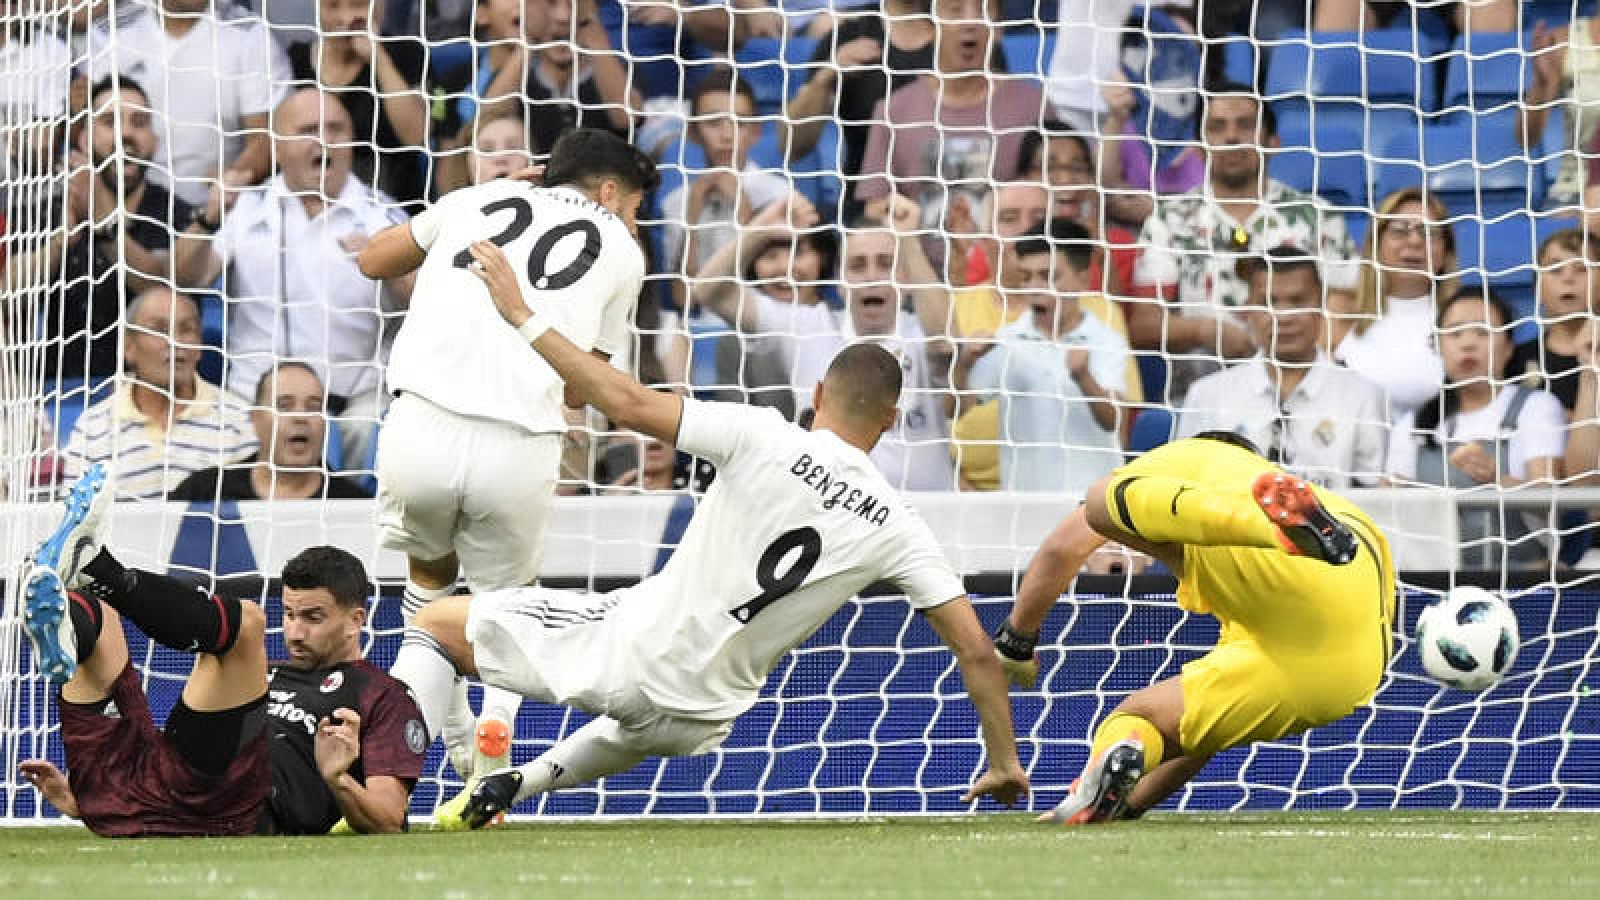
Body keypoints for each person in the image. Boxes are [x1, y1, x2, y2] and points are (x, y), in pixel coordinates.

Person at [387, 243, 1028, 828]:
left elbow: (628, 403)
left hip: (632, 652)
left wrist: (521, 311)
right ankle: (513, 785)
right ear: (891, 421)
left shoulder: (760, 433)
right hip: (705, 718)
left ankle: (386, 787)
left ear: (816, 393)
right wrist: (1003, 761)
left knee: (436, 624)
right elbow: (976, 651)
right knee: (637, 726)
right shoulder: (898, 523)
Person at [355, 127, 655, 814]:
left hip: (422, 423)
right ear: (609, 192)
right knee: (502, 608)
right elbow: (585, 387)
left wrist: (477, 202)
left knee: (429, 593)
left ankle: (436, 741)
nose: (632, 218)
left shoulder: (479, 197)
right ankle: (491, 743)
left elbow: (373, 260)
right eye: (634, 204)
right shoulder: (622, 249)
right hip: (519, 443)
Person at [991, 431, 1392, 824]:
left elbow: (1065, 546)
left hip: (1274, 551)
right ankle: (1096, 794)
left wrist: (1017, 641)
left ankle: (1269, 529)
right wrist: (1129, 806)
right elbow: (1197, 741)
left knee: (1100, 500)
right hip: (1356, 656)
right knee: (1145, 722)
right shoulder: (1239, 600)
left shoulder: (1194, 457)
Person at [17, 466, 426, 835]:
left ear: (356, 620)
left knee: (245, 626)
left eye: (313, 618)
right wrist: (82, 801)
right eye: (287, 614)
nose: (294, 632)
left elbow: (389, 819)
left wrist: (338, 778)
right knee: (102, 621)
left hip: (235, 809)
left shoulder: (382, 696)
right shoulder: (266, 674)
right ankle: (71, 611)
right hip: (152, 791)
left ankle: (95, 571)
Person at [180, 87, 415, 469]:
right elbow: (187, 279)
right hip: (253, 401)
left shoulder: (382, 215)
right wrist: (208, 219)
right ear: (277, 145)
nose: (324, 140)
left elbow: (422, 305)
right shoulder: (245, 208)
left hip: (356, 403)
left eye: (336, 128)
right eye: (309, 128)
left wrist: (388, 266)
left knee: (369, 426)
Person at [690, 193, 957, 490]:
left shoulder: (923, 334)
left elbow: (947, 342)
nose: (871, 277)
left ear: (905, 278)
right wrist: (759, 230)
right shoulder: (806, 327)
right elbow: (708, 293)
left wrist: (907, 239)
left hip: (926, 516)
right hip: (832, 521)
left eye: (886, 264)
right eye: (857, 265)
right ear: (840, 282)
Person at [1131, 84, 1358, 405]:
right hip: (1199, 395)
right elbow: (1144, 325)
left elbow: (1348, 306)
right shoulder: (1168, 220)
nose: (1232, 137)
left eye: (1245, 125)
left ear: (1272, 143)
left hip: (1302, 394)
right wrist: (1204, 332)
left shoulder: (1317, 217)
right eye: (1217, 127)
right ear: (1199, 147)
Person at [2, 76, 210, 384]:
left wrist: (102, 224)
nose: (126, 133)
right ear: (84, 140)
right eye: (109, 121)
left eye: (139, 123)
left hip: (148, 396)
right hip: (55, 397)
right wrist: (62, 240)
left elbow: (163, 284)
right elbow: (9, 291)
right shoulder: (44, 210)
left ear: (154, 141)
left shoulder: (179, 216)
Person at [1179, 247, 1387, 490]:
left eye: (1298, 301)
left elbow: (1373, 499)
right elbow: (1186, 492)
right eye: (1268, 302)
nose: (1284, 316)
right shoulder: (1207, 396)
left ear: (1320, 307)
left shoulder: (1363, 397)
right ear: (1248, 310)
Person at [1386, 290, 1567, 569]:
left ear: (1508, 347)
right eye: (1455, 333)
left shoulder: (1537, 406)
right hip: (1433, 578)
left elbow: (1549, 504)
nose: (1468, 344)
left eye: (1482, 332)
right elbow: (1393, 513)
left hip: (1522, 576)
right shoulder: (1413, 425)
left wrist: (1495, 478)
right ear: (1438, 347)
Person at [954, 221, 1129, 494]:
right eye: (1026, 277)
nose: (1034, 287)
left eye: (1048, 277)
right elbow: (955, 409)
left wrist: (1084, 379)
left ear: (1083, 279)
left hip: (1090, 513)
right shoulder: (1007, 340)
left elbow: (1115, 421)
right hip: (1022, 509)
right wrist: (964, 363)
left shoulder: (1106, 341)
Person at [83, 0, 286, 205]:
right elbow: (86, 125)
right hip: (124, 209)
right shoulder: (110, 30)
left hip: (214, 215)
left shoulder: (250, 34)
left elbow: (266, 139)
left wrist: (227, 187)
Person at [62, 287, 257, 501]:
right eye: (159, 330)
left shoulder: (240, 418)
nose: (174, 342)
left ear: (200, 346)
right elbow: (75, 519)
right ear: (128, 347)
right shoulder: (92, 427)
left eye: (187, 329)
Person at [285, 0, 429, 208]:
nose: (345, 18)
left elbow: (417, 136)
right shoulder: (294, 61)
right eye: (332, 6)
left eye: (358, 5)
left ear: (380, 7)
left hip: (393, 208)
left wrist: (379, 59)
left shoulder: (409, 54)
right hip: (310, 207)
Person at [1332, 187, 1454, 422]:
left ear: (1447, 253)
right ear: (1375, 247)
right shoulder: (1336, 315)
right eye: (1399, 230)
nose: (1415, 241)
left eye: (1429, 233)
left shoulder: (1467, 318)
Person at [169, 361, 372, 502]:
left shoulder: (354, 503)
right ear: (256, 420)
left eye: (313, 406)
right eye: (284, 406)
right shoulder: (204, 492)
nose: (300, 417)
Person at [659, 67, 791, 278]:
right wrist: (691, 221)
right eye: (713, 122)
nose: (727, 135)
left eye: (739, 123)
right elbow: (683, 299)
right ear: (693, 133)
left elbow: (777, 285)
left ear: (755, 132)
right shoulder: (676, 201)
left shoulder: (780, 195)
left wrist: (745, 209)